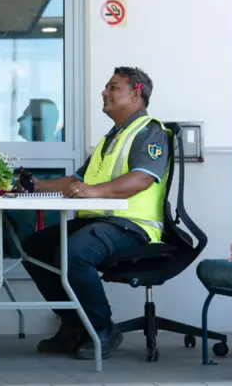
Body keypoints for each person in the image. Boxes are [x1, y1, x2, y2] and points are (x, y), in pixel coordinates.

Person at [19, 67, 171, 360]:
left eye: (113, 87)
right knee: (34, 247)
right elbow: (76, 181)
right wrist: (35, 185)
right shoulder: (112, 137)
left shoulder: (150, 131)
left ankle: (102, 329)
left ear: (136, 92)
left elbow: (141, 178)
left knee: (74, 253)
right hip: (100, 223)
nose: (105, 93)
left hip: (133, 226)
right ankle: (74, 326)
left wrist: (94, 191)